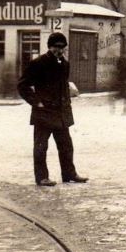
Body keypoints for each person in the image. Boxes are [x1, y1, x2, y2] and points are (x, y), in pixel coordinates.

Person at [17, 32, 89, 187]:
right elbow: (22, 86)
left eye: (63, 48)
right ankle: (42, 177)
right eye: (57, 47)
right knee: (41, 146)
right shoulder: (38, 63)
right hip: (44, 113)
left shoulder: (65, 64)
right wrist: (37, 102)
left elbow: (63, 86)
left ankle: (69, 174)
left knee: (66, 146)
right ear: (49, 47)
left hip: (61, 113)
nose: (60, 51)